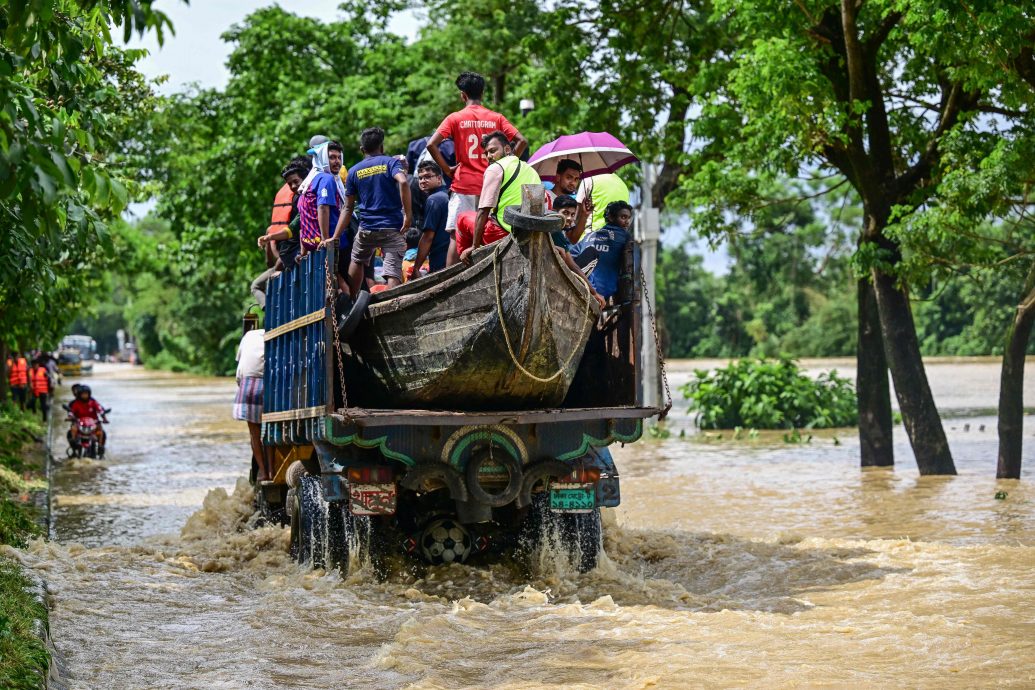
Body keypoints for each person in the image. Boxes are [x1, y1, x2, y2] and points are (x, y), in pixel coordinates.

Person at [426, 72, 527, 259]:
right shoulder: (497, 118)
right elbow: (522, 141)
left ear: (463, 95)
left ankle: (453, 277)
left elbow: (431, 144)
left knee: (457, 236)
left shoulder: (455, 118)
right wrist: (508, 163)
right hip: (492, 185)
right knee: (487, 234)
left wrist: (447, 169)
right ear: (482, 93)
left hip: (464, 184)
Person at [330, 127, 412, 296]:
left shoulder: (353, 171)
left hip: (367, 228)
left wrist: (335, 236)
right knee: (392, 269)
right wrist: (408, 215)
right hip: (392, 226)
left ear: (362, 149)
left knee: (357, 259)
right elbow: (403, 182)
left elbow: (347, 208)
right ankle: (393, 302)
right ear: (382, 147)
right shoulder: (390, 162)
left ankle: (354, 298)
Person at [455, 131, 541, 264]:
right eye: (486, 153)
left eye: (493, 151)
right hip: (530, 234)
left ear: (507, 149)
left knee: (462, 218)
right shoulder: (531, 170)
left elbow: (483, 210)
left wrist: (474, 246)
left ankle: (467, 262)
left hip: (500, 233)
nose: (489, 156)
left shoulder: (496, 168)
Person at [297, 140, 348, 291]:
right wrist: (326, 239)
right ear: (322, 158)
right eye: (332, 157)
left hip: (317, 244)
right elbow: (323, 207)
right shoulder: (326, 179)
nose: (337, 161)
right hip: (332, 243)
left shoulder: (310, 180)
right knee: (341, 282)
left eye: (339, 157)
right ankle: (353, 300)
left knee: (334, 282)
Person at [258, 156, 311, 272]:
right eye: (290, 184)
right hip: (291, 254)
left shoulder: (310, 196)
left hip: (306, 252)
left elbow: (301, 228)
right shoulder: (299, 199)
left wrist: (302, 253)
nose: (293, 186)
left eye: (296, 182)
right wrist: (269, 237)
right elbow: (293, 227)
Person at [233, 320, 270, 482]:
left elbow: (240, 364)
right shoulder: (273, 335)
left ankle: (262, 471)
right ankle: (272, 471)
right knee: (268, 432)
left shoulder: (248, 335)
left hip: (247, 386)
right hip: (267, 386)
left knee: (254, 434)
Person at [574, 200, 633, 300]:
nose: (627, 222)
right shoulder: (624, 236)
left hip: (579, 285)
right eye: (623, 217)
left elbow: (570, 257)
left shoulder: (590, 235)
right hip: (598, 294)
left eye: (628, 218)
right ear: (611, 217)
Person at [408, 161, 452, 279]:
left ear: (439, 178)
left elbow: (428, 237)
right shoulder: (447, 195)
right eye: (420, 178)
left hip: (441, 258)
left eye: (427, 177)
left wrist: (416, 267)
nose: (423, 181)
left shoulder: (434, 200)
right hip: (451, 255)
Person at [575, 172, 629, 241]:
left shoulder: (589, 179)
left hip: (590, 238)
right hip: (614, 239)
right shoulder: (624, 186)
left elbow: (577, 214)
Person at [68, 385, 107, 458]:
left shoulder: (93, 402)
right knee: (73, 428)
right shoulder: (76, 403)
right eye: (83, 394)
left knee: (101, 431)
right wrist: (70, 417)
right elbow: (71, 412)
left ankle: (100, 447)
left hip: (93, 424)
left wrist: (104, 418)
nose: (85, 396)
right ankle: (73, 443)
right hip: (80, 424)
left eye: (86, 394)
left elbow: (100, 410)